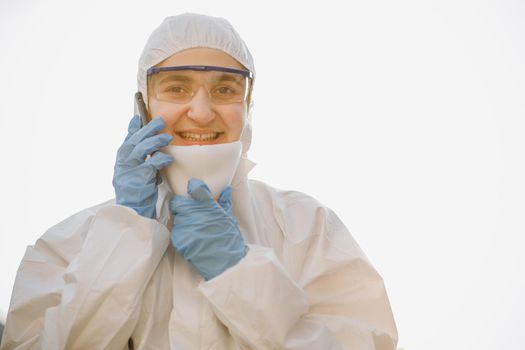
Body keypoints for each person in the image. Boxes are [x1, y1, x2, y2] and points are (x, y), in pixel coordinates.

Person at [0, 13, 398, 350]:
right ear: (142, 106)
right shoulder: (69, 245)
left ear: (247, 108)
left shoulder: (305, 227)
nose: (202, 112)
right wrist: (123, 239)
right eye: (177, 88)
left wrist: (238, 272)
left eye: (225, 89)